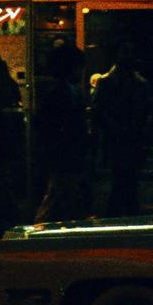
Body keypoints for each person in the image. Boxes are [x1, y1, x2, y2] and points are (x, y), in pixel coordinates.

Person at [89, 39, 153, 217]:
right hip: (122, 139)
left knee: (124, 179)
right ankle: (124, 213)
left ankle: (117, 213)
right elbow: (99, 112)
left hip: (123, 138)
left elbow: (98, 112)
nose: (128, 56)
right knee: (126, 179)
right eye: (125, 52)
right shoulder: (134, 82)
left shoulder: (117, 82)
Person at [32, 42, 90, 224]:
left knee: (59, 196)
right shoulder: (67, 93)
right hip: (66, 154)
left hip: (61, 154)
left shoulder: (56, 91)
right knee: (61, 195)